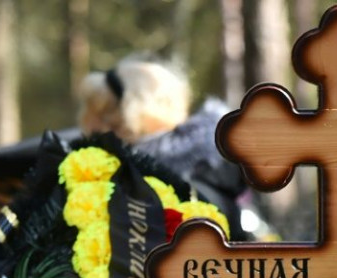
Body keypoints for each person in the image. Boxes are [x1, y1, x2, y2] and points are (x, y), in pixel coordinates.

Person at [77, 53, 252, 241]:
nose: (87, 123)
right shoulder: (200, 166)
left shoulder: (174, 188)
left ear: (126, 118)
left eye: (99, 112)